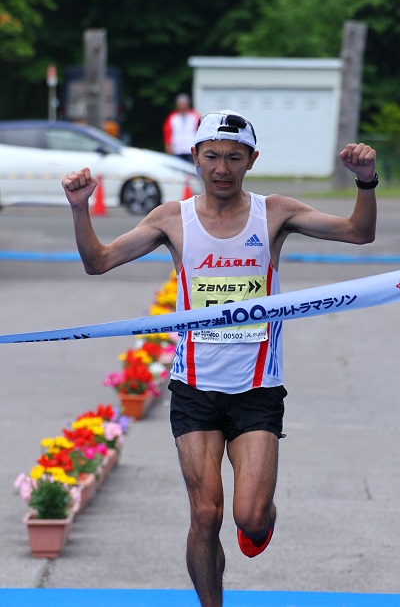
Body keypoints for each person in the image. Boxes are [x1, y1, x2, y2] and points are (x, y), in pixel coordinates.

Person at [62, 110, 377, 607]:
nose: (222, 168)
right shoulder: (172, 218)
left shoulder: (274, 213)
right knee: (205, 514)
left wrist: (366, 182)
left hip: (256, 391)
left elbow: (359, 233)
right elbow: (98, 262)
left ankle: (260, 521)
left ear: (252, 160)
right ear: (195, 158)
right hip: (194, 389)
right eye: (212, 156)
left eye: (234, 157)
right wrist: (80, 208)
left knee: (249, 518)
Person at [163, 93, 200, 163]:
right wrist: (168, 146)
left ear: (188, 105)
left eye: (184, 104)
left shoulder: (195, 116)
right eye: (180, 104)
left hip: (191, 150)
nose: (182, 106)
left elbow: (200, 131)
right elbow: (167, 132)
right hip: (176, 150)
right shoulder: (172, 117)